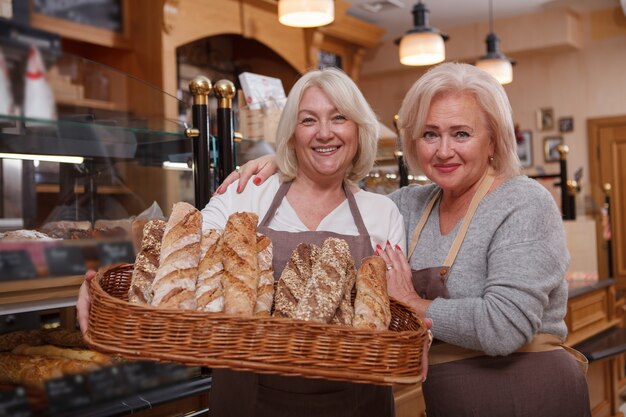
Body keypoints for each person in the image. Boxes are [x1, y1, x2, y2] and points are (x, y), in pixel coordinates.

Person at [216, 62, 592, 417]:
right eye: (430, 134)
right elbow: (333, 189)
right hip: (448, 401)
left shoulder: (524, 202)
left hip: (528, 395)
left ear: (493, 140)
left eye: (461, 133)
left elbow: (503, 326)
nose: (443, 150)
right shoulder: (406, 207)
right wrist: (281, 164)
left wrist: (413, 302)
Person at [77, 67, 412, 417]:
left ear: (359, 128)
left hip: (356, 403)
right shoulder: (249, 192)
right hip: (248, 399)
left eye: (339, 117)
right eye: (308, 120)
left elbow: (390, 314)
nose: (324, 133)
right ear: (292, 133)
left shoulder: (381, 213)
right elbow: (179, 252)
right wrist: (98, 282)